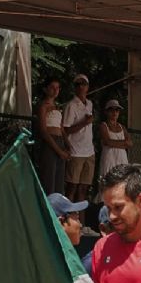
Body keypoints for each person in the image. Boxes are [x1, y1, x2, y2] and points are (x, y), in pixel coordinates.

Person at [62, 74, 95, 202]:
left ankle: (81, 220)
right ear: (74, 88)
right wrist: (84, 123)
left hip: (89, 151)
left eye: (83, 84)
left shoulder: (90, 104)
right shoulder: (71, 105)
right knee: (72, 188)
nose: (81, 86)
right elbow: (65, 129)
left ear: (87, 87)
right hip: (76, 151)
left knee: (83, 190)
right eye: (78, 84)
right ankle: (67, 219)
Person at [35, 77, 69, 194]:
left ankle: (58, 209)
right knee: (49, 178)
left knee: (59, 179)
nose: (55, 90)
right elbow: (43, 131)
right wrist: (59, 151)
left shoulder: (58, 107)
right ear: (46, 89)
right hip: (50, 142)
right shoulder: (43, 106)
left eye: (57, 88)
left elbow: (62, 128)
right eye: (52, 88)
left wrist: (67, 144)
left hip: (60, 141)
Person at [97, 100, 131, 178]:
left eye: (117, 110)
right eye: (111, 110)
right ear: (106, 112)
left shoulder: (122, 127)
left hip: (122, 160)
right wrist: (123, 143)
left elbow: (130, 143)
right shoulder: (103, 125)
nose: (114, 112)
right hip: (109, 159)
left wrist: (113, 143)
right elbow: (107, 142)